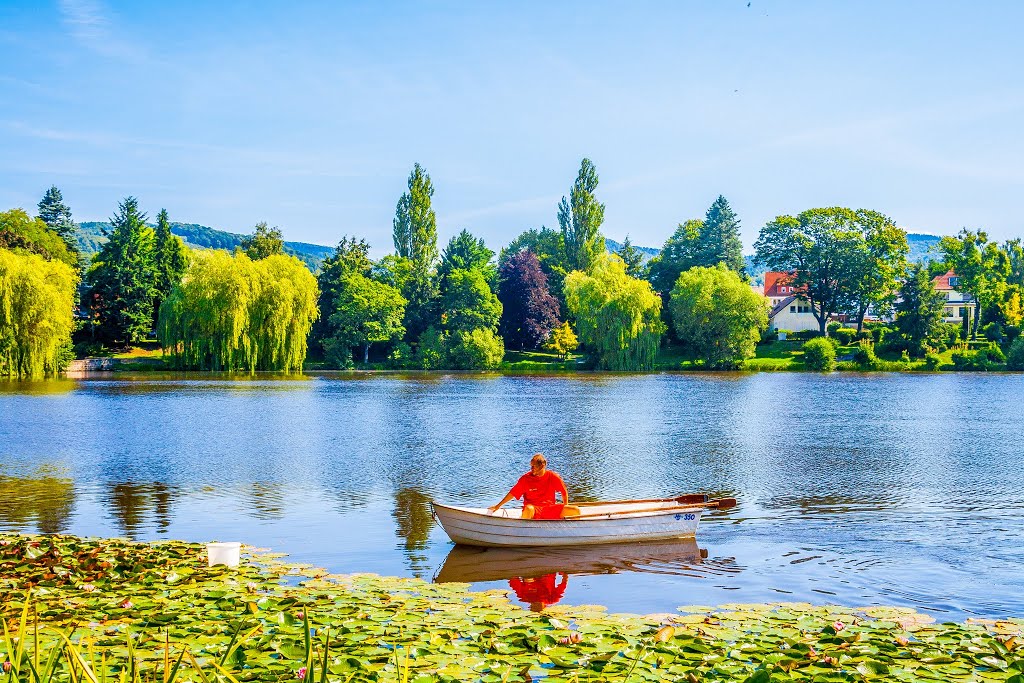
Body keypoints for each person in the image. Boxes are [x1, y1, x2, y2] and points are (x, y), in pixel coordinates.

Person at [488, 453, 581, 519]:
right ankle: (523, 530)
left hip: (549, 509)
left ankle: (571, 531)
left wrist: (565, 506)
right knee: (529, 509)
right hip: (533, 510)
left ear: (542, 465)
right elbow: (512, 493)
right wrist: (498, 505)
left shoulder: (553, 476)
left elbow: (563, 491)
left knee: (575, 510)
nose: (531, 469)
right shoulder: (525, 479)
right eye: (531, 466)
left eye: (534, 466)